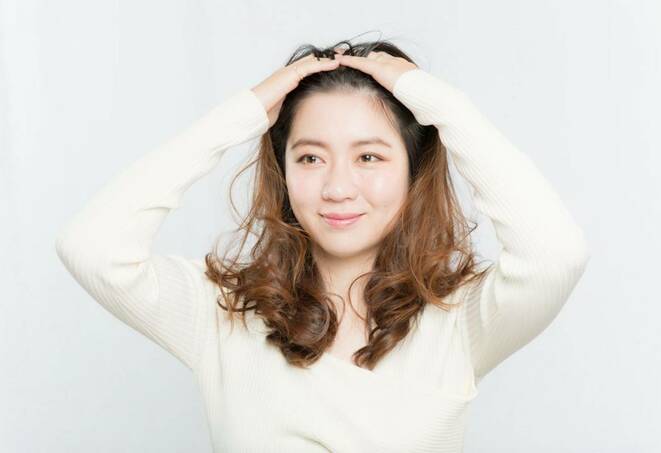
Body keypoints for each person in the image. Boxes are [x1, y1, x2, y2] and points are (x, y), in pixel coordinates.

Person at [55, 39, 590, 452]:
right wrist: (239, 115)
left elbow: (555, 256)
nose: (337, 188)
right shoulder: (222, 312)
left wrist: (443, 106)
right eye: (310, 157)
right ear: (283, 169)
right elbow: (91, 247)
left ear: (413, 169)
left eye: (369, 157)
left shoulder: (458, 319)